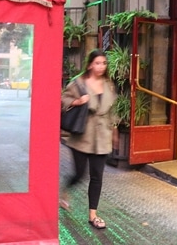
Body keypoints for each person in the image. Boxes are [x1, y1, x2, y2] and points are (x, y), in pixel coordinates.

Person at [60, 49, 118, 230]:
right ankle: (64, 191)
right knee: (79, 173)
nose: (101, 67)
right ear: (90, 64)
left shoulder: (108, 84)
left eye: (104, 63)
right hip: (82, 135)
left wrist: (114, 129)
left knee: (97, 176)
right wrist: (77, 102)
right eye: (97, 63)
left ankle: (93, 214)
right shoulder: (79, 82)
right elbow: (63, 99)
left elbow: (112, 109)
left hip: (102, 136)